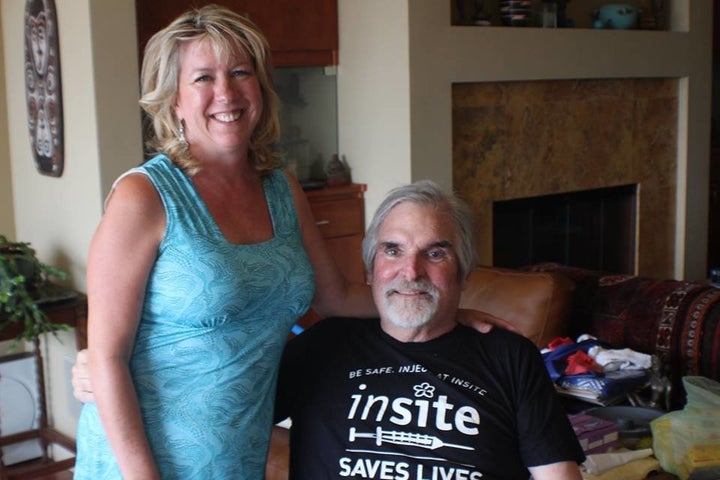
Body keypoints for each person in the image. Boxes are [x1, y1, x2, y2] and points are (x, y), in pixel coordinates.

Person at [72, 5, 501, 479]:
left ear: (260, 87)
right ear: (173, 98)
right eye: (202, 78)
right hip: (143, 458)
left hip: (239, 449)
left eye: (240, 72)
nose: (226, 93)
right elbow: (106, 357)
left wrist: (437, 308)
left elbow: (335, 296)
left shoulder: (281, 188)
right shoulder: (144, 196)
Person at [75, 179, 584, 479]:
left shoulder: (509, 358)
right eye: (392, 250)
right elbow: (220, 405)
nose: (411, 272)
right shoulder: (325, 346)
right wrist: (107, 368)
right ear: (368, 269)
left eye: (436, 252)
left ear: (464, 270)